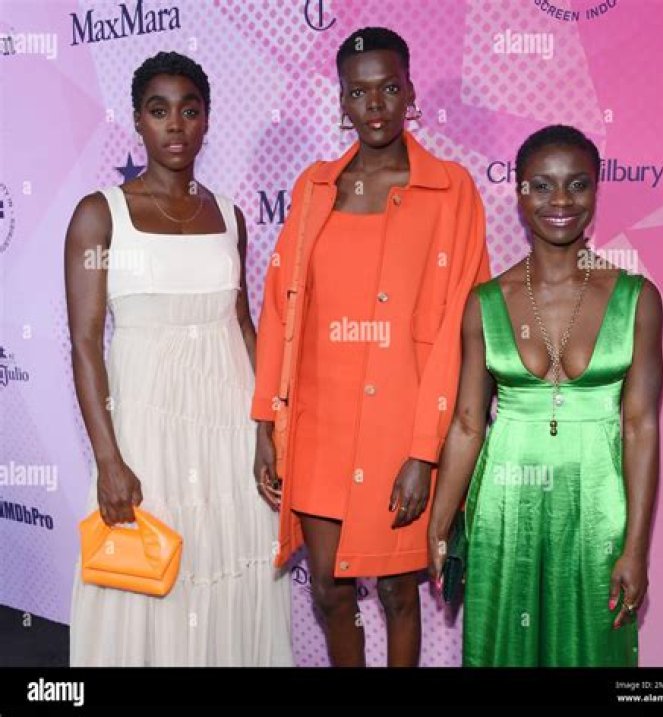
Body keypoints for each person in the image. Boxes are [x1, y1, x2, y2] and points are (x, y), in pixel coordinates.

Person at [252, 27, 490, 667]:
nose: (375, 105)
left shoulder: (451, 191)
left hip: (400, 427)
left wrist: (425, 449)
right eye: (358, 93)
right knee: (329, 590)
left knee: (397, 593)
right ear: (341, 101)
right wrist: (267, 424)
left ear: (410, 92)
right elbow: (280, 308)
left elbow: (463, 328)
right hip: (319, 424)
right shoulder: (314, 188)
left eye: (389, 88)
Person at [66, 51, 292, 666]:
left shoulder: (230, 216)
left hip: (229, 426)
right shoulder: (99, 215)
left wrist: (267, 428)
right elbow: (85, 343)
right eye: (159, 110)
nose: (175, 125)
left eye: (189, 111)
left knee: (229, 561)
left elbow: (242, 324)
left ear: (207, 119)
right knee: (149, 574)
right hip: (146, 430)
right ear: (137, 120)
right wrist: (108, 460)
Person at [428, 125, 663, 666]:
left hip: (598, 506)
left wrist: (635, 547)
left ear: (596, 191)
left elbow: (641, 426)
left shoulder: (636, 299)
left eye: (577, 185)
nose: (560, 201)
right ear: (519, 192)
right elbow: (467, 423)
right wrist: (439, 524)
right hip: (504, 507)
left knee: (594, 650)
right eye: (542, 185)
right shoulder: (486, 301)